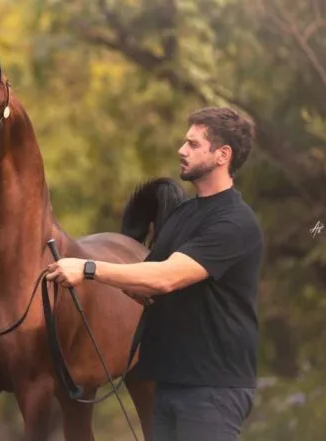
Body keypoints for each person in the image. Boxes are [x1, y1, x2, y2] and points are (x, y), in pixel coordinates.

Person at [46, 106, 264, 441]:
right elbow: (149, 283)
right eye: (184, 142)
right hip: (169, 382)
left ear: (223, 155)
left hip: (212, 388)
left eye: (193, 144)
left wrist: (88, 268)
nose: (181, 150)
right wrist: (127, 287)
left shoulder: (234, 222)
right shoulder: (183, 215)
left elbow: (166, 277)